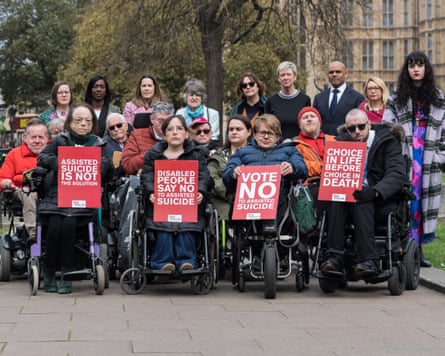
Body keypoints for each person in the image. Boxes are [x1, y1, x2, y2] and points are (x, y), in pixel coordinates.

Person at [37, 103, 114, 294]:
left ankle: (67, 272)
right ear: (70, 122)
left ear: (93, 124)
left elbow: (108, 169)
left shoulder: (98, 144)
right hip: (57, 196)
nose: (83, 124)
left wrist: (99, 165)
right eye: (78, 120)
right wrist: (58, 162)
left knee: (69, 226)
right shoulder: (60, 140)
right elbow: (42, 158)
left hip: (82, 198)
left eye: (87, 121)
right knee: (55, 226)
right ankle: (48, 270)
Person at [320, 109, 406, 278]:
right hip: (347, 196)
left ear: (369, 124)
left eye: (361, 127)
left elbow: (396, 174)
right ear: (346, 129)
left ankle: (369, 260)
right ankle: (334, 256)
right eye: (352, 129)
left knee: (361, 200)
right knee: (337, 199)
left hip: (379, 198)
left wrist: (375, 192)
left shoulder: (387, 142)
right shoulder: (341, 143)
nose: (357, 132)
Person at [382, 51, 445, 267]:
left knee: (423, 204)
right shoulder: (395, 98)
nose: (415, 69)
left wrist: (440, 156)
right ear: (406, 70)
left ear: (426, 69)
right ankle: (404, 247)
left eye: (419, 65)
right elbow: (386, 127)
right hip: (405, 156)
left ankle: (418, 250)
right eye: (411, 66)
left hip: (428, 158)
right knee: (406, 203)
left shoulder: (438, 98)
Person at [140, 114, 214, 272]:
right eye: (170, 129)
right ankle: (162, 263)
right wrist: (151, 192)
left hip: (188, 204)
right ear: (164, 134)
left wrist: (200, 191)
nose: (175, 132)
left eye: (179, 128)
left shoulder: (197, 155)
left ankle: (187, 261)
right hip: (161, 204)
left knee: (185, 228)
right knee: (165, 229)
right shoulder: (153, 155)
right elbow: (146, 177)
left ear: (186, 134)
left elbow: (205, 177)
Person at [223, 114, 308, 221]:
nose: (266, 137)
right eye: (262, 133)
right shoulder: (242, 152)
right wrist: (233, 173)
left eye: (271, 133)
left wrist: (292, 168)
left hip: (279, 200)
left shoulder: (290, 151)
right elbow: (226, 176)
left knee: (283, 198)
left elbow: (303, 170)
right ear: (254, 135)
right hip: (248, 202)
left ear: (278, 137)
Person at [0, 118, 49, 239]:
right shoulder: (14, 154)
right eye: (33, 137)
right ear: (25, 138)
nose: (37, 141)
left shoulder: (53, 153)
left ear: (47, 139)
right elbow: (2, 178)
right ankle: (34, 236)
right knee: (30, 194)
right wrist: (7, 182)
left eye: (40, 137)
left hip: (49, 192)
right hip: (22, 191)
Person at [207, 114, 252, 220]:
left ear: (249, 132)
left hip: (250, 201)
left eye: (238, 129)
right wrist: (229, 194)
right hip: (223, 200)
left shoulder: (258, 154)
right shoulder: (218, 155)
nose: (234, 132)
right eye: (231, 129)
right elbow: (212, 177)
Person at [293, 107, 335, 214]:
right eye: (305, 117)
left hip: (335, 183)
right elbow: (302, 167)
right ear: (299, 125)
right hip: (310, 185)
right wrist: (327, 166)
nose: (309, 119)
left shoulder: (334, 140)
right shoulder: (294, 144)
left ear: (319, 122)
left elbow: (342, 163)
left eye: (312, 116)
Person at [121, 102, 175, 176]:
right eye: (161, 121)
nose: (165, 125)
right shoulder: (136, 135)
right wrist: (150, 154)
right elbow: (127, 165)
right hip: (144, 182)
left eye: (168, 121)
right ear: (152, 119)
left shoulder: (179, 137)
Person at [313, 61, 364, 136]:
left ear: (345, 74)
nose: (334, 74)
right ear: (328, 75)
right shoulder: (319, 97)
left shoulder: (357, 97)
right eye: (331, 72)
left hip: (345, 143)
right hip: (322, 142)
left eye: (338, 72)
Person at [264, 61, 311, 138]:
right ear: (279, 78)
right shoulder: (270, 102)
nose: (285, 78)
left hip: (300, 144)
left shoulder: (305, 99)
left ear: (295, 77)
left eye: (288, 74)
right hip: (278, 146)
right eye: (282, 75)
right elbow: (267, 127)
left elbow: (308, 125)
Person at [176, 78, 220, 144]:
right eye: (191, 95)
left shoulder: (213, 114)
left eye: (197, 95)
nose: (194, 98)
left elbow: (214, 137)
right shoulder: (179, 113)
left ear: (202, 97)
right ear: (186, 97)